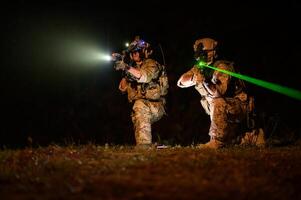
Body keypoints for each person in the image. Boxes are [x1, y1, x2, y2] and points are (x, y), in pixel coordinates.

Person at [177, 37, 265, 149]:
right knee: (232, 141)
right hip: (221, 108)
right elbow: (180, 82)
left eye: (205, 53)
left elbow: (219, 93)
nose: (201, 56)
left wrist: (205, 81)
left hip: (239, 106)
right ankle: (253, 136)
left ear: (213, 52)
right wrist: (194, 78)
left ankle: (216, 141)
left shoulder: (222, 67)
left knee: (217, 102)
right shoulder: (200, 67)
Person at [113, 36, 168, 149]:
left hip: (156, 105)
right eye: (132, 52)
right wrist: (124, 70)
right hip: (141, 106)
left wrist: (127, 67)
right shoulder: (133, 68)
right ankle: (153, 144)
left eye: (137, 51)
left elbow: (144, 76)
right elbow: (122, 88)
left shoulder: (152, 64)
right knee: (136, 109)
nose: (135, 54)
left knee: (139, 105)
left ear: (145, 51)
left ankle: (144, 145)